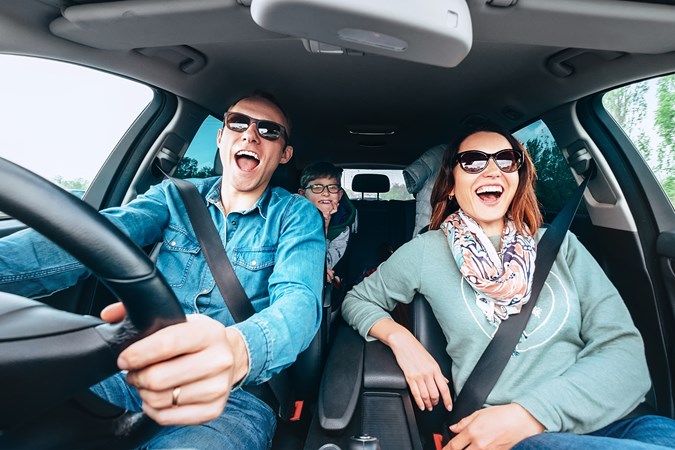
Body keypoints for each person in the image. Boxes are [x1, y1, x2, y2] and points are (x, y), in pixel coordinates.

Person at [0, 92, 326, 449]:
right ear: (221, 136)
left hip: (231, 398)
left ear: (284, 155)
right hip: (130, 371)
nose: (250, 135)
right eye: (238, 123)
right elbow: (94, 240)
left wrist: (236, 351)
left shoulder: (296, 215)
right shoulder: (174, 196)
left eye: (269, 131)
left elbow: (299, 300)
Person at [342, 121, 675, 449]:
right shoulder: (426, 250)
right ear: (451, 186)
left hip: (613, 418)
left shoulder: (561, 246)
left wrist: (534, 412)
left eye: (505, 159)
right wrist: (403, 341)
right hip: (508, 434)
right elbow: (357, 301)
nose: (492, 171)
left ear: (517, 178)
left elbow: (625, 356)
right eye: (472, 161)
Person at [299, 161, 356, 284]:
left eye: (332, 188)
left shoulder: (341, 227)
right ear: (302, 194)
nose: (326, 193)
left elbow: (325, 264)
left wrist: (324, 224)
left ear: (339, 195)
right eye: (317, 187)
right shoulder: (292, 219)